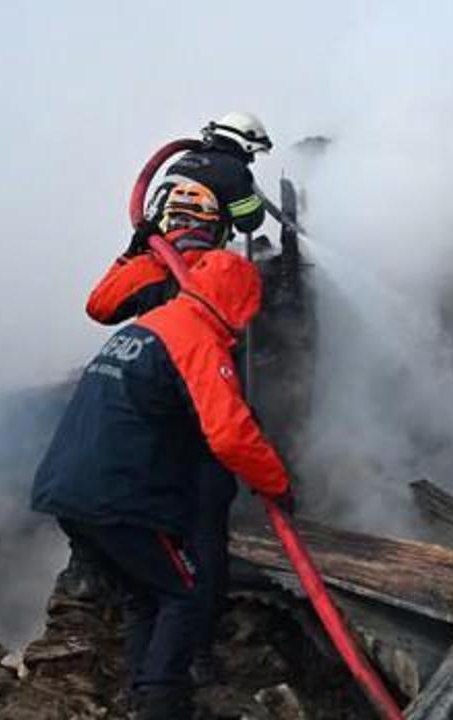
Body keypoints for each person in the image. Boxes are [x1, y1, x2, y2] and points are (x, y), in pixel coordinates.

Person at [33, 248, 291, 719]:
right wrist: (276, 483)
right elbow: (230, 435)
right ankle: (161, 703)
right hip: (118, 499)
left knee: (143, 595)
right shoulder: (197, 340)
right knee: (186, 592)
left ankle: (138, 694)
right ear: (237, 301)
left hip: (68, 490)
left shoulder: (147, 327)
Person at [83, 180, 259, 685]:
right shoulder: (203, 268)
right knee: (202, 543)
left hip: (165, 424)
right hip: (193, 422)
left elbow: (101, 307)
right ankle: (188, 658)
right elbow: (100, 307)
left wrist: (134, 254)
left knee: (171, 549)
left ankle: (162, 664)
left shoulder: (160, 270)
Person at [146, 111, 272, 242]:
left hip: (157, 245)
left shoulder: (184, 160)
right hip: (196, 251)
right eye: (252, 154)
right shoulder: (232, 169)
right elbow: (249, 222)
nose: (251, 159)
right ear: (246, 144)